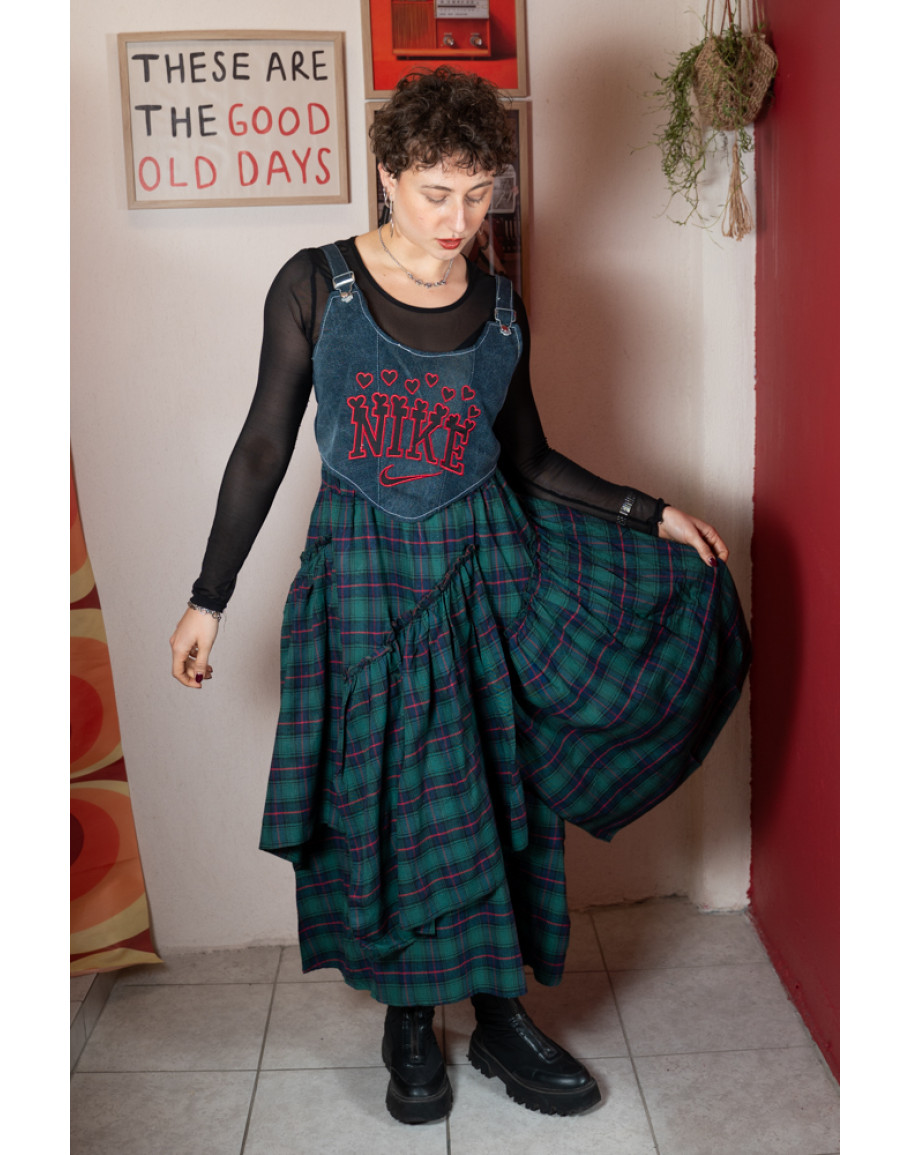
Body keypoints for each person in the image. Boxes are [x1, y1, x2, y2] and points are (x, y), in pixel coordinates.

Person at [170, 66, 750, 1126]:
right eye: (437, 191)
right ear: (388, 174)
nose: (459, 217)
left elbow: (528, 458)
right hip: (362, 580)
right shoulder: (315, 285)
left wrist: (649, 512)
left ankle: (498, 1015)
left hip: (489, 573)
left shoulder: (502, 305)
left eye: (479, 192)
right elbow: (261, 447)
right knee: (387, 800)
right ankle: (408, 1021)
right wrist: (210, 596)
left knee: (498, 794)